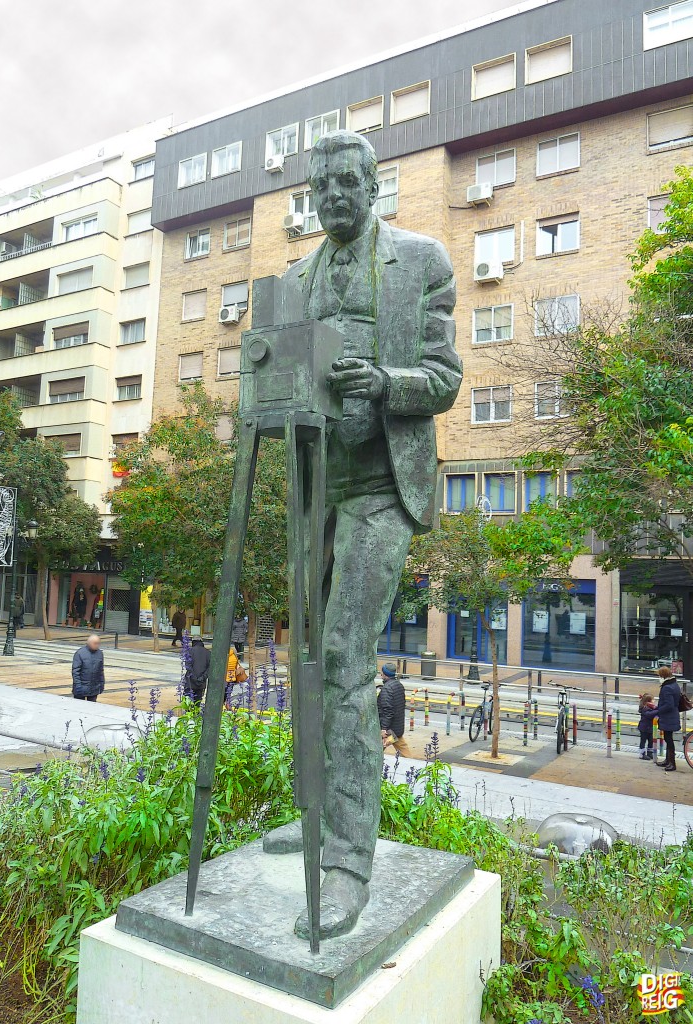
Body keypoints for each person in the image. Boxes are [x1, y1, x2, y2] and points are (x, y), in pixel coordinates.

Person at [262, 130, 461, 940]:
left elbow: (445, 381)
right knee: (307, 654)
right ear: (310, 192)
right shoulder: (289, 280)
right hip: (316, 490)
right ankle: (316, 813)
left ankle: (347, 860)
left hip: (383, 486)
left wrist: (384, 382)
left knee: (345, 658)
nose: (335, 193)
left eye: (350, 180)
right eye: (323, 183)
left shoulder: (423, 262)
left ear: (374, 185)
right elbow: (270, 389)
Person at [655, 666, 681, 772]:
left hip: (668, 717)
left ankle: (671, 763)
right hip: (672, 715)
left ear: (663, 676)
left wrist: (658, 710)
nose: (659, 678)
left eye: (660, 676)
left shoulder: (667, 688)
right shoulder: (674, 684)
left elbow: (669, 705)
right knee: (667, 738)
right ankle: (668, 760)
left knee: (668, 739)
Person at [377, 663, 406, 752]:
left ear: (384, 674)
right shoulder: (399, 685)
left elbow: (387, 711)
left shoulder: (387, 689)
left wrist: (383, 729)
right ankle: (416, 766)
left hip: (389, 730)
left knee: (377, 750)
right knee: (404, 750)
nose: (381, 674)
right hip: (398, 727)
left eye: (382, 672)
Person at [71, 634, 105, 703]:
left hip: (94, 688)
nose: (97, 645)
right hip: (81, 688)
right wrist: (78, 686)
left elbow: (100, 671)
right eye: (95, 643)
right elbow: (75, 672)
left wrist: (101, 684)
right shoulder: (80, 653)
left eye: (98, 643)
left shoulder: (100, 653)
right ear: (89, 643)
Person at [184, 637, 210, 704]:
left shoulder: (190, 651)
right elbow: (210, 668)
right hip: (201, 683)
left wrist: (194, 677)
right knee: (197, 702)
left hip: (190, 682)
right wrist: (202, 678)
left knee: (188, 703)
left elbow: (188, 666)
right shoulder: (208, 653)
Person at [637, 692, 657, 760]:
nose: (654, 701)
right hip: (644, 728)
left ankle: (649, 753)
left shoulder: (652, 708)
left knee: (651, 740)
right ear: (648, 702)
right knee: (643, 740)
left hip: (650, 727)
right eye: (653, 700)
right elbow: (649, 714)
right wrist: (658, 711)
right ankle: (642, 754)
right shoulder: (645, 708)